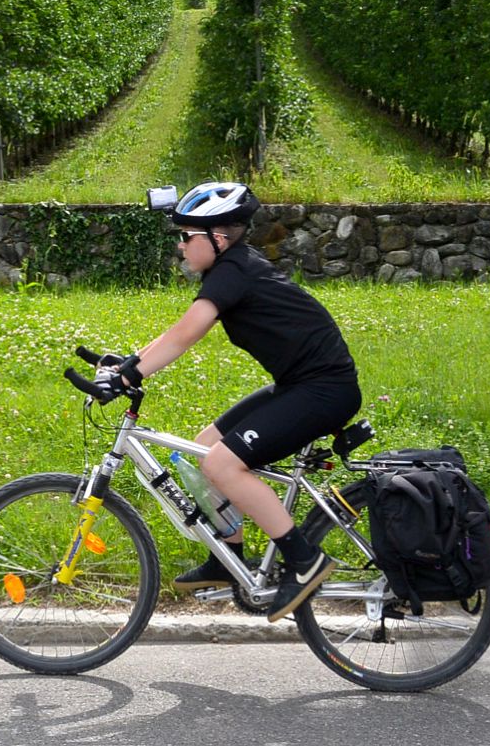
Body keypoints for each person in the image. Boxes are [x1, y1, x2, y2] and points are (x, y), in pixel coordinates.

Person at [97, 180, 362, 623]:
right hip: (301, 383)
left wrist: (130, 376)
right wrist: (129, 363)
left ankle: (304, 560)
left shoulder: (233, 272)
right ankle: (228, 556)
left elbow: (186, 334)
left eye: (186, 236)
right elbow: (175, 331)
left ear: (218, 238)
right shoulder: (231, 268)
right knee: (207, 447)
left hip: (324, 389)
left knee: (222, 464)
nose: (180, 245)